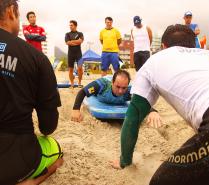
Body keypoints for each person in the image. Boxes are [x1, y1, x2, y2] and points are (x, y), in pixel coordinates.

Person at [110, 24, 209, 185]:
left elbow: (133, 116)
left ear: (164, 46)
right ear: (194, 44)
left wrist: (125, 160)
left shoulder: (155, 60)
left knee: (160, 181)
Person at [0, 1, 63, 184]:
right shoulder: (37, 58)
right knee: (55, 150)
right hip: (16, 162)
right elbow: (47, 126)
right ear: (11, 11)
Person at [71, 70, 161, 123]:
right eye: (117, 87)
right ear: (112, 83)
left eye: (124, 88)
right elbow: (82, 92)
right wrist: (76, 109)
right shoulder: (102, 85)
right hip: (99, 96)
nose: (120, 91)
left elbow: (142, 100)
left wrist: (153, 111)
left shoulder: (130, 90)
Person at [65, 20, 84, 87]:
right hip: (70, 54)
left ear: (75, 26)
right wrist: (76, 42)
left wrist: (72, 41)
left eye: (71, 25)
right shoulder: (67, 34)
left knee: (80, 68)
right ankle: (72, 83)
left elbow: (80, 41)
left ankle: (79, 83)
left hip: (79, 54)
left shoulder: (80, 33)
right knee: (70, 69)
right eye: (70, 25)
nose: (70, 26)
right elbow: (67, 43)